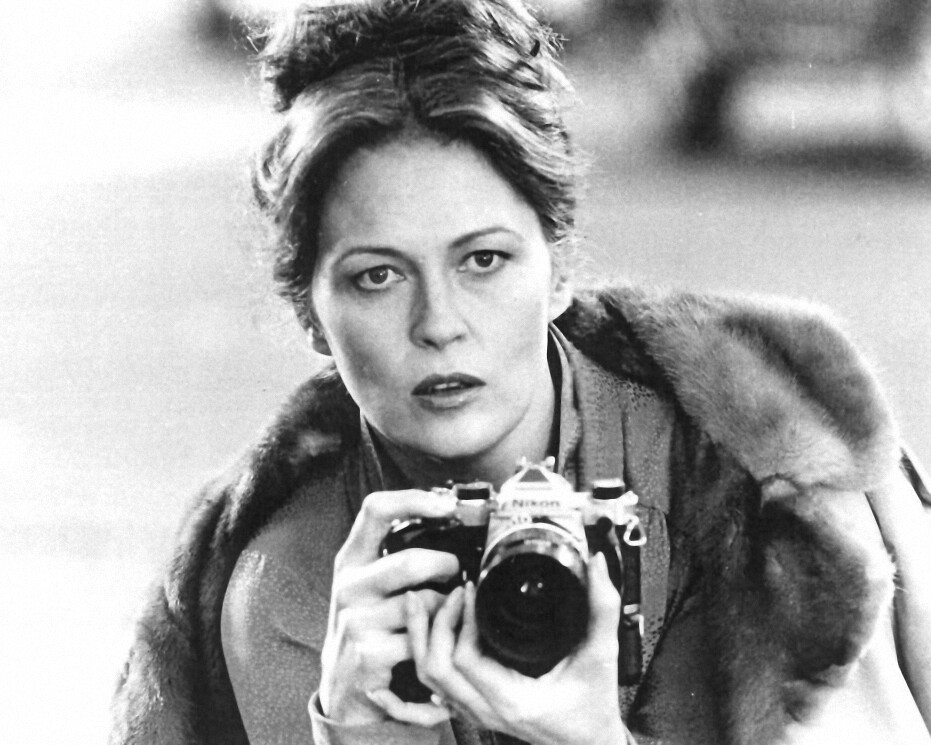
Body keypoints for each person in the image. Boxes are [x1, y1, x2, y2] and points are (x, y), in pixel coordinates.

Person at [108, 0, 931, 743]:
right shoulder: (296, 584)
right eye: (376, 276)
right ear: (311, 315)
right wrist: (358, 733)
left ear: (559, 267)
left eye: (483, 260)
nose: (438, 323)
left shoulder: (754, 481)